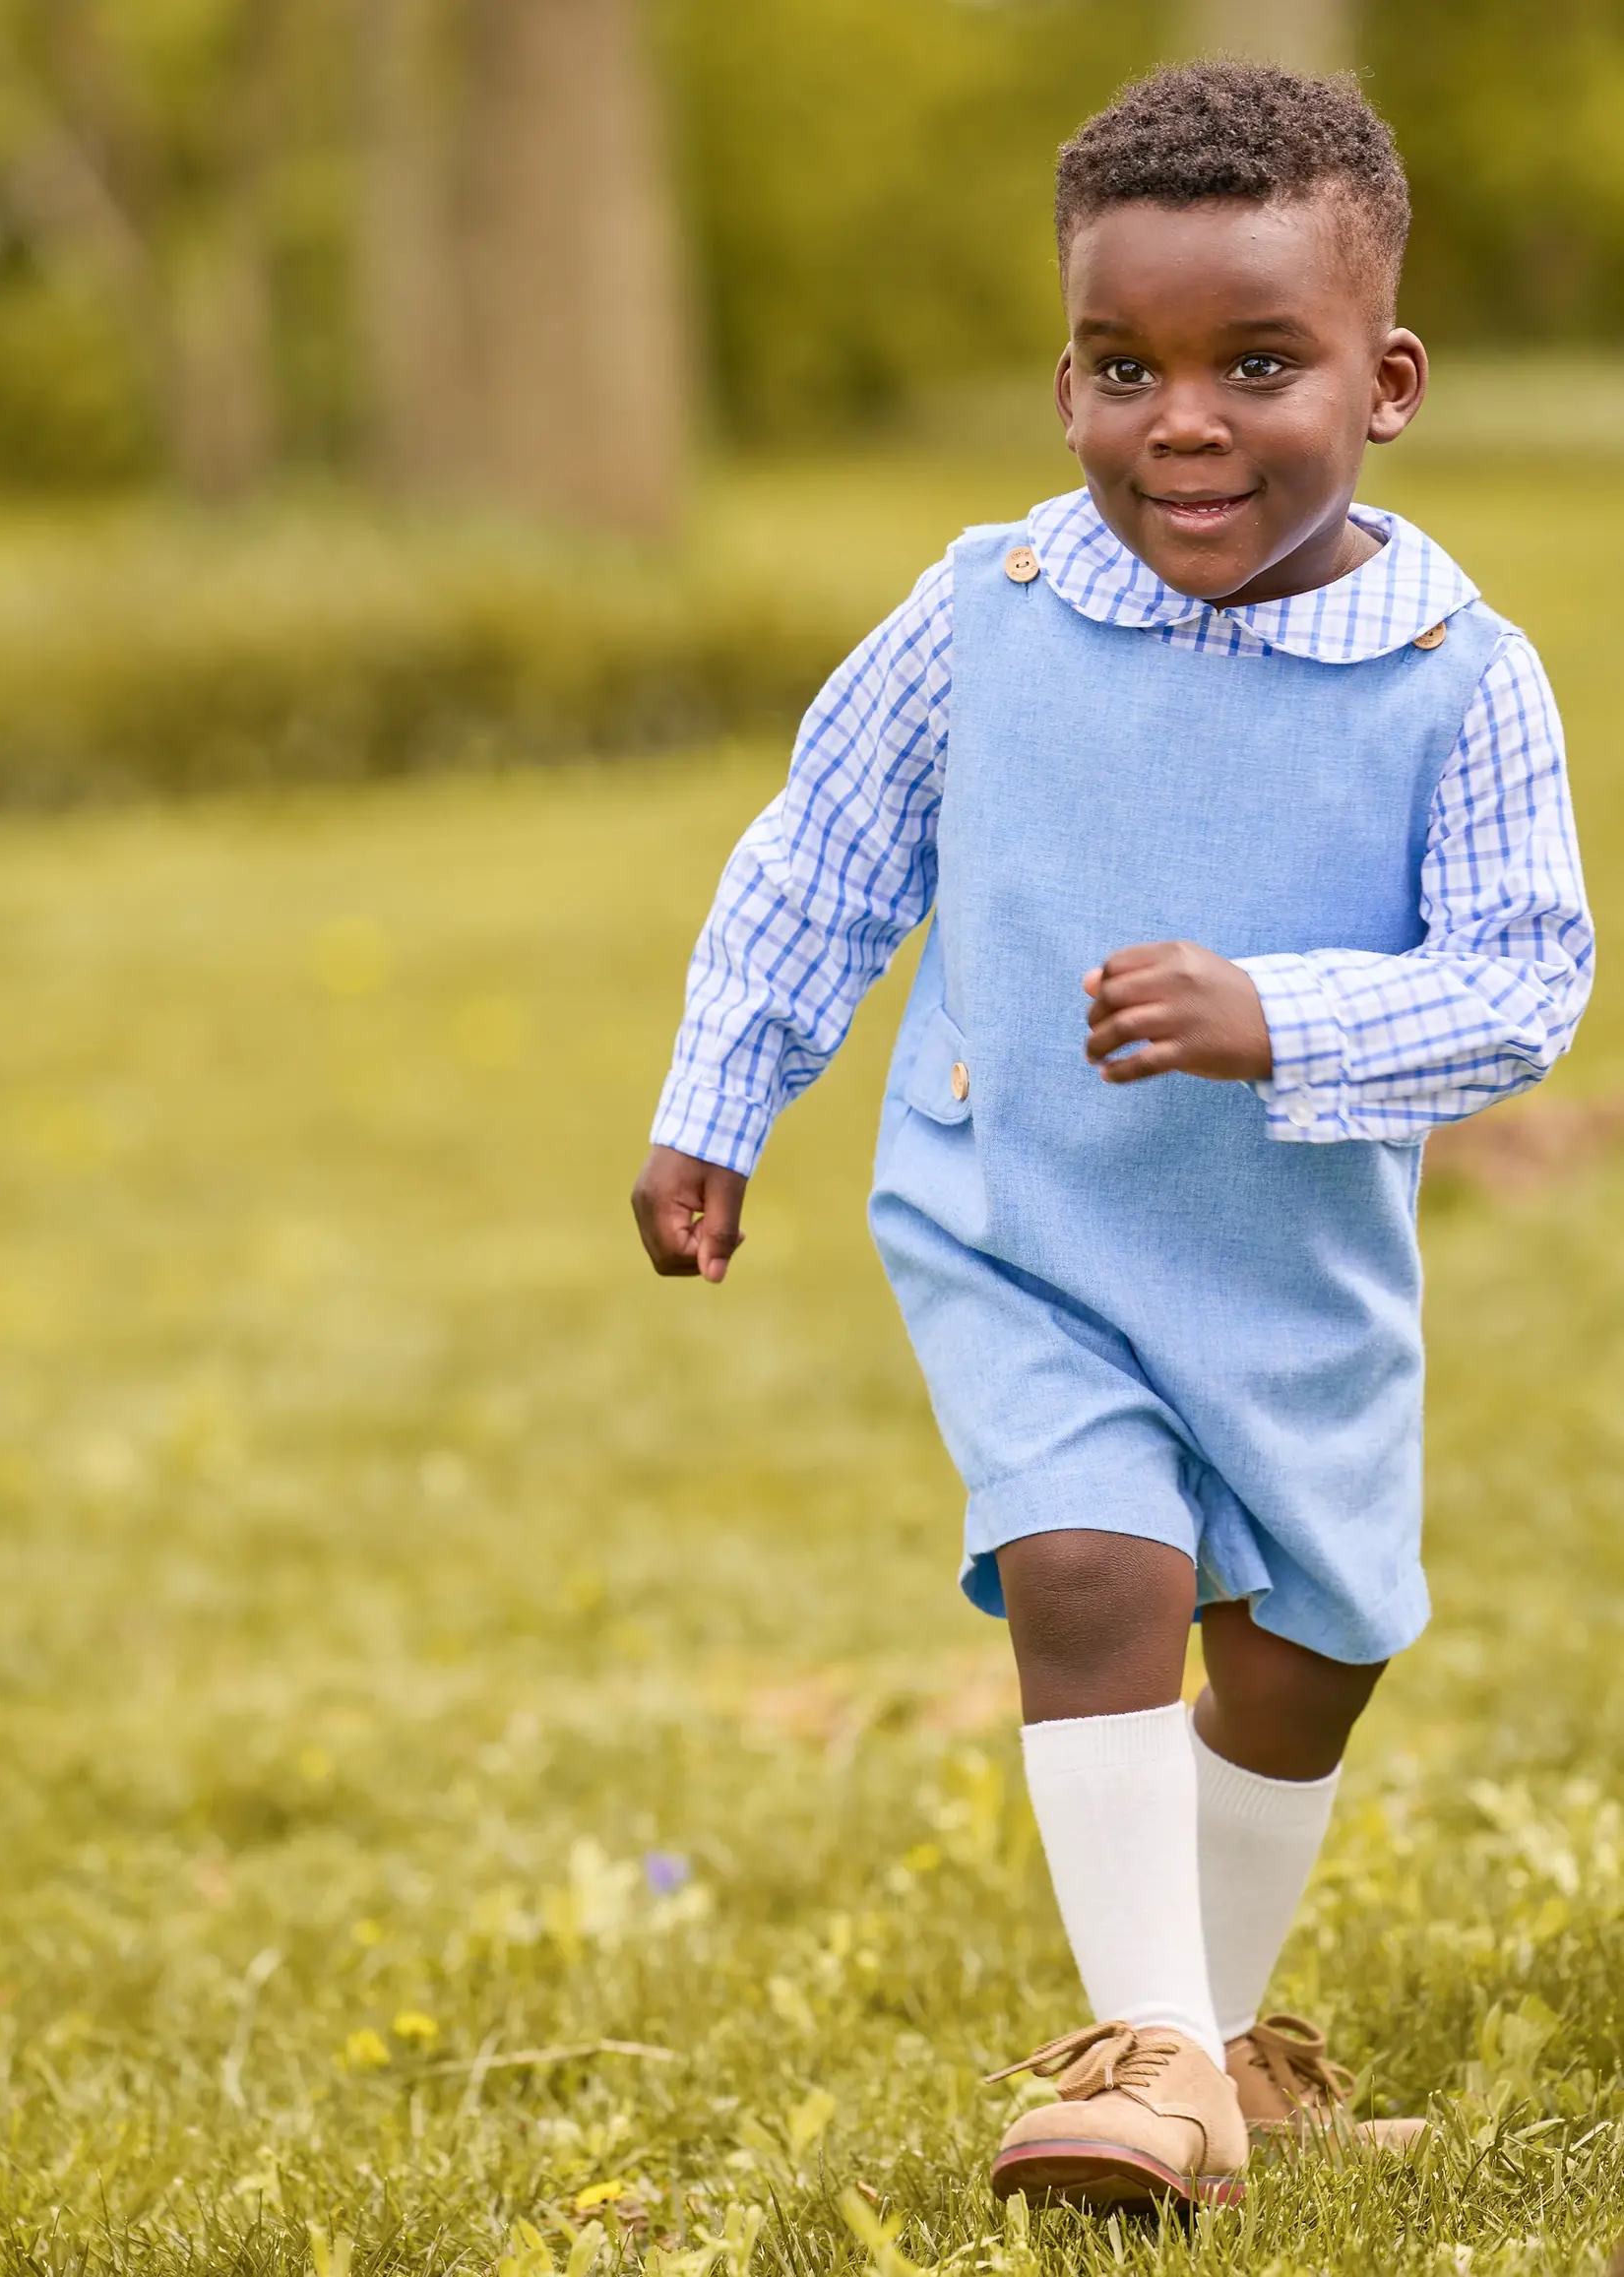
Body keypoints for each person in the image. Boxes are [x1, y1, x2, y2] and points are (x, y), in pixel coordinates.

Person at [632, 60, 1593, 2214]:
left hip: (1288, 1262)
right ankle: (1145, 2053)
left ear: (1391, 376)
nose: (1181, 421)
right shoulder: (985, 613)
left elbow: (1529, 977)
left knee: (1308, 1651)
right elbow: (819, 860)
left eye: (1259, 364)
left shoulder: (1454, 672)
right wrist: (717, 1102)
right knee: (1091, 1565)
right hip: (1020, 1210)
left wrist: (1284, 1014)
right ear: (1058, 373)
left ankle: (1204, 2045)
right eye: (1119, 366)